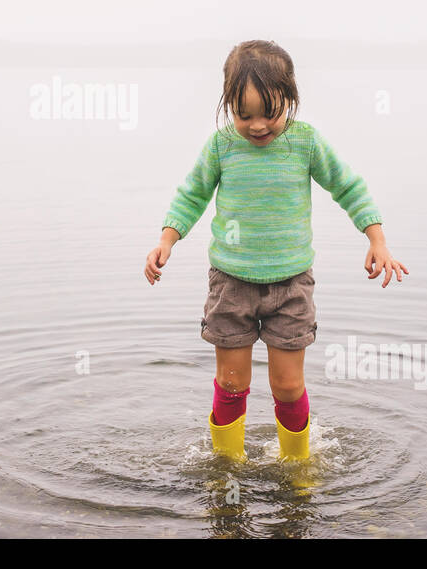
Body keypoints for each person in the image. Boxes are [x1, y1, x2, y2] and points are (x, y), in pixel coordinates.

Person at [144, 40, 408, 463]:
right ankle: (226, 467)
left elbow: (347, 186)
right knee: (231, 382)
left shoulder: (304, 143)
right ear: (228, 105)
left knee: (287, 384)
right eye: (243, 114)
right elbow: (191, 196)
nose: (258, 125)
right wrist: (166, 240)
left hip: (291, 286)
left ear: (291, 97)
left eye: (270, 112)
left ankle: (298, 467)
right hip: (231, 284)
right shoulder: (221, 146)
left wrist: (376, 238)